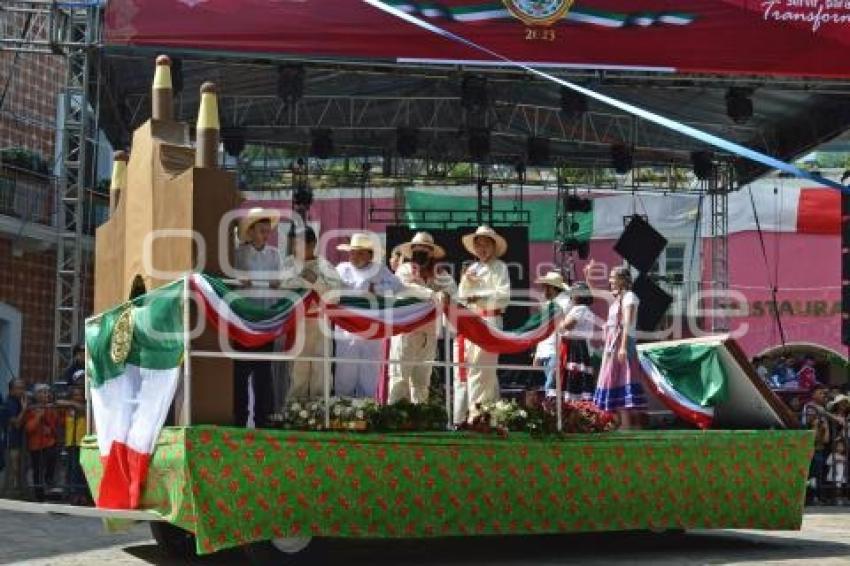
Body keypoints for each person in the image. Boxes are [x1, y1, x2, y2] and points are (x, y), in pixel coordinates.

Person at [388, 232, 457, 404]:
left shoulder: (440, 273)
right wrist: (434, 294)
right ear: (411, 251)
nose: (420, 252)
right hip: (406, 331)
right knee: (399, 376)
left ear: (431, 252)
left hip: (429, 333)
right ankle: (395, 416)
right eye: (417, 249)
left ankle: (420, 417)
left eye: (425, 249)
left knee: (422, 380)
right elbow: (405, 287)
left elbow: (454, 292)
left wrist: (445, 294)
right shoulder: (404, 269)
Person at [335, 233, 405, 398]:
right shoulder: (341, 269)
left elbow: (397, 287)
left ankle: (368, 411)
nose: (355, 256)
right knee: (345, 373)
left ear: (370, 254)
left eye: (360, 252)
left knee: (370, 375)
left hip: (371, 331)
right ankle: (342, 411)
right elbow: (330, 288)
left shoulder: (380, 270)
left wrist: (377, 291)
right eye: (352, 252)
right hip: (347, 330)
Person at [455, 226, 511, 425]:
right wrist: (468, 284)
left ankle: (476, 416)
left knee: (481, 369)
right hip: (472, 321)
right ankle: (490, 414)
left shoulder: (500, 267)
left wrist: (481, 295)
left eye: (486, 244)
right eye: (478, 245)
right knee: (478, 370)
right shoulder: (472, 269)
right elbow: (461, 296)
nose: (482, 248)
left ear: (493, 246)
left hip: (490, 320)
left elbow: (504, 296)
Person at [281, 225, 343, 400]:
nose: (297, 250)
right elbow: (285, 286)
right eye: (294, 245)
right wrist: (310, 283)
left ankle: (319, 415)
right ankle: (295, 414)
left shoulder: (325, 266)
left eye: (301, 245)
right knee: (298, 372)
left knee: (320, 371)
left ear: (313, 244)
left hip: (321, 325)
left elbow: (335, 297)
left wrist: (315, 280)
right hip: (297, 323)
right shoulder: (288, 264)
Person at [233, 207, 281, 428]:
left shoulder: (274, 255)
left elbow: (279, 281)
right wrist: (238, 281)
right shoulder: (238, 254)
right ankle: (239, 419)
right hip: (243, 320)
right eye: (261, 230)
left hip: (265, 321)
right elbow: (232, 279)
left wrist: (277, 284)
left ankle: (263, 420)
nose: (265, 234)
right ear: (250, 231)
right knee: (241, 372)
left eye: (267, 230)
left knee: (263, 373)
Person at [585, 262, 647, 429]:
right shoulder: (618, 297)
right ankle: (623, 424)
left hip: (622, 342)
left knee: (622, 381)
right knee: (614, 381)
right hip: (613, 344)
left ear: (622, 279)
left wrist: (623, 347)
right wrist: (588, 275)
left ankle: (628, 425)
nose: (610, 280)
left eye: (613, 277)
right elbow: (593, 292)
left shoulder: (629, 297)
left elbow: (627, 322)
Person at [531, 272, 572, 397]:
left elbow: (563, 328)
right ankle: (551, 414)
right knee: (550, 388)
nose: (543, 290)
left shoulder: (565, 302)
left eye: (545, 287)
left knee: (551, 388)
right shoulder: (549, 304)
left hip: (556, 350)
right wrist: (538, 354)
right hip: (546, 349)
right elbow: (542, 330)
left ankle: (552, 415)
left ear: (552, 288)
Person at [559, 282, 597, 402]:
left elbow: (567, 326)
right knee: (574, 376)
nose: (571, 296)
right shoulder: (579, 308)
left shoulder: (581, 309)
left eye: (573, 293)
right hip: (575, 346)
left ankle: (578, 407)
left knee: (576, 377)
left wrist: (558, 322)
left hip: (578, 348)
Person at [24, 384, 60, 502]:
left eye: (47, 392)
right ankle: (39, 495)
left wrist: (51, 429)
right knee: (38, 470)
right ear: (36, 395)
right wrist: (38, 416)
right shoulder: (31, 408)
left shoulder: (52, 408)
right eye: (42, 392)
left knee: (50, 468)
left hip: (50, 443)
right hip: (36, 445)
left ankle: (49, 489)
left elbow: (56, 427)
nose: (46, 394)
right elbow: (29, 428)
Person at [57, 385, 88, 504]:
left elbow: (82, 408)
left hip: (83, 442)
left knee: (81, 469)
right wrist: (72, 403)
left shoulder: (85, 406)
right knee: (72, 469)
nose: (78, 397)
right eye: (75, 395)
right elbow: (57, 402)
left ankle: (82, 494)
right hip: (71, 442)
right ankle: (72, 493)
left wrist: (74, 405)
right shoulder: (69, 407)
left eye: (80, 395)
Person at [2, 379, 27, 497]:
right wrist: (24, 409)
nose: (22, 391)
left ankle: (15, 490)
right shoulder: (9, 403)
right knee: (13, 465)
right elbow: (16, 423)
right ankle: (10, 491)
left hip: (18, 438)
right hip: (11, 439)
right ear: (11, 389)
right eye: (19, 388)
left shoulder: (18, 401)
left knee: (18, 465)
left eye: (23, 388)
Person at [826, 438, 847, 505]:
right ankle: (832, 499)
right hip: (833, 474)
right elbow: (827, 462)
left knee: (839, 488)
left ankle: (838, 498)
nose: (840, 448)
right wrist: (836, 461)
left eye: (842, 446)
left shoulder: (844, 456)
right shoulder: (832, 455)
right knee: (833, 488)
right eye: (839, 446)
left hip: (840, 474)